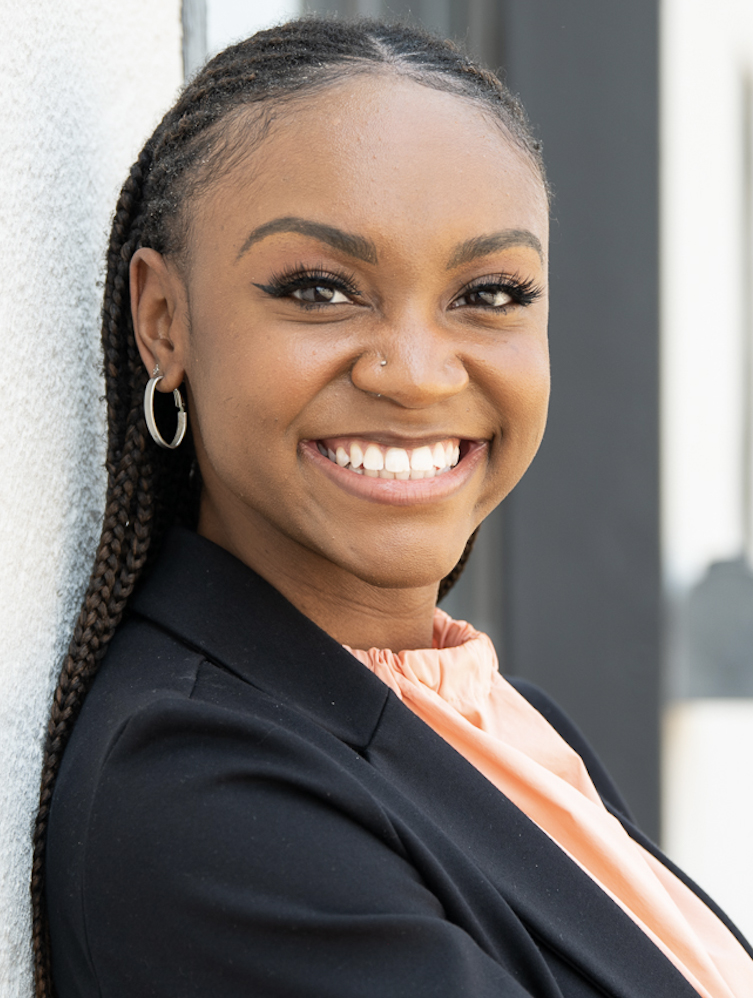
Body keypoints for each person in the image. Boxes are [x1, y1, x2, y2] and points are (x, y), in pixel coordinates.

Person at [32, 16, 753, 998]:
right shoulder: (204, 798)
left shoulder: (497, 715)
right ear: (165, 319)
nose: (415, 374)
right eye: (322, 289)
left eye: (490, 293)